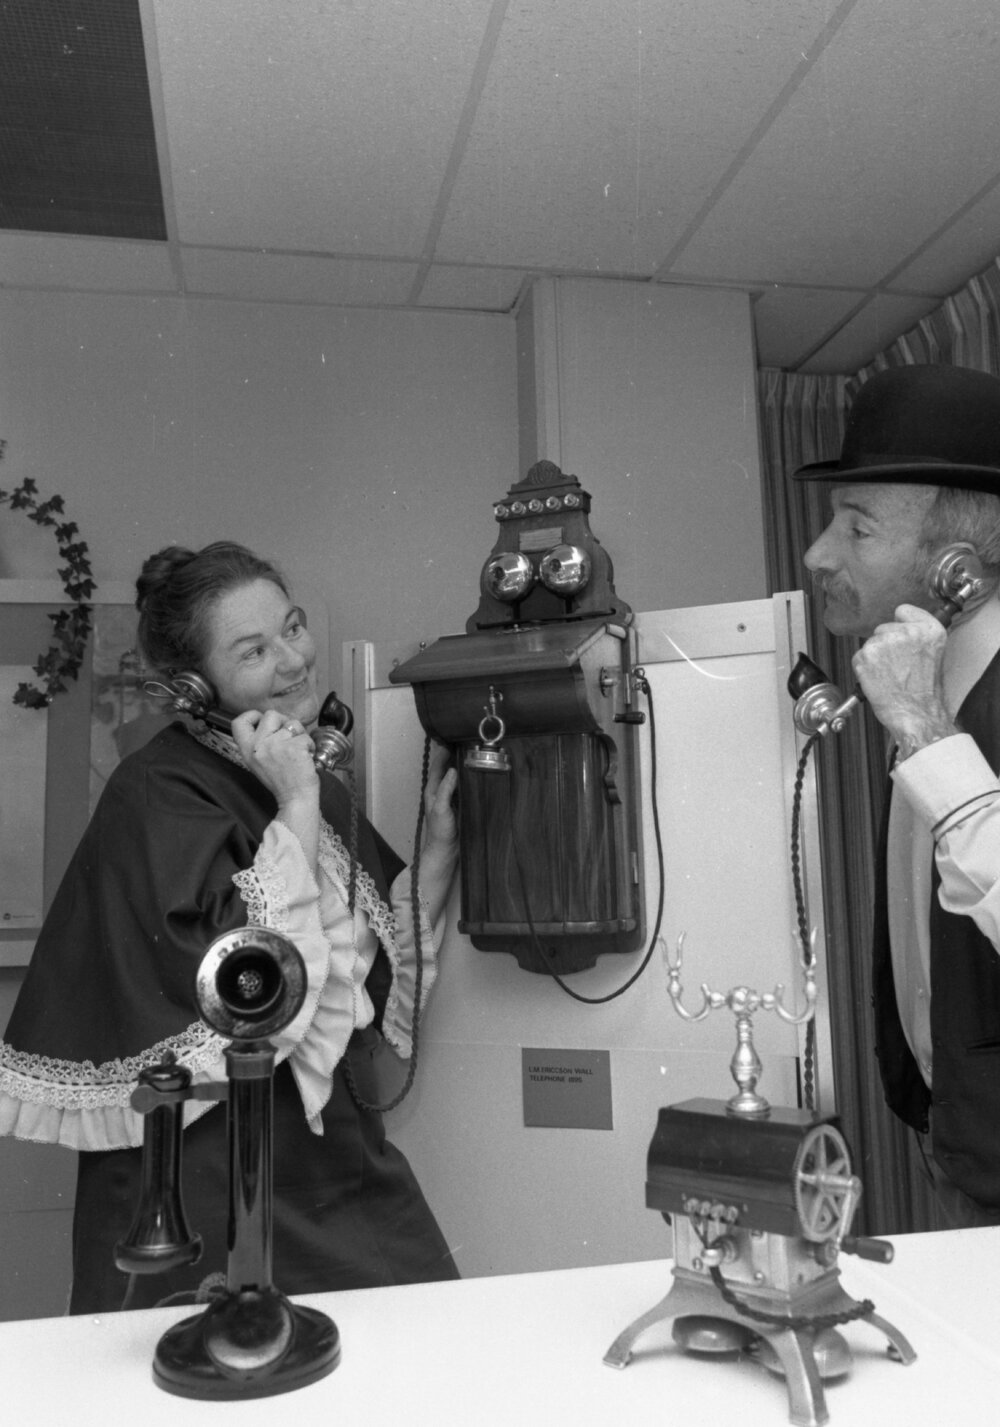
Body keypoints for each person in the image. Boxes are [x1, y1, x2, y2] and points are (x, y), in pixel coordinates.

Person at [0, 541, 460, 1309]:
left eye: (292, 627)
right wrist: (298, 802)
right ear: (193, 684)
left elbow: (352, 963)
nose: (294, 659)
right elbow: (253, 986)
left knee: (419, 1330)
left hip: (325, 1157)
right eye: (253, 650)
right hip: (212, 1175)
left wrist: (437, 855)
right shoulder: (155, 791)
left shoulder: (290, 775)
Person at [793, 363, 1000, 1228]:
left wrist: (924, 730)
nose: (818, 554)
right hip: (956, 1138)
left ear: (956, 566)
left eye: (858, 526)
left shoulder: (927, 705)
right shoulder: (921, 671)